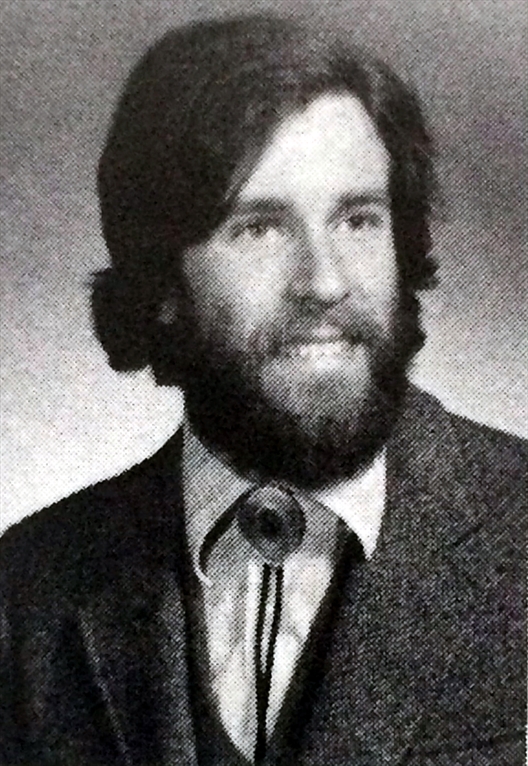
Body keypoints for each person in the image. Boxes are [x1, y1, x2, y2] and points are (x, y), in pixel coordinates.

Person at [0, 13, 525, 766]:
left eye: (358, 220)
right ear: (162, 283)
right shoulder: (29, 590)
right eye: (259, 229)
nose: (325, 282)